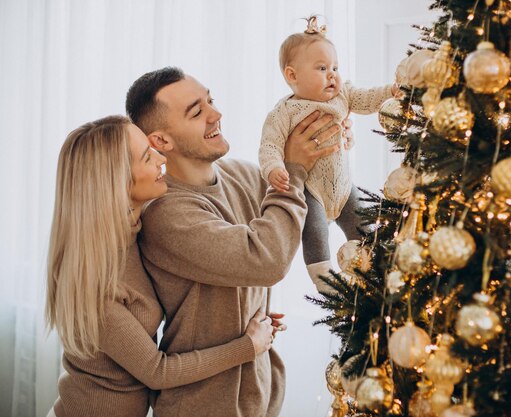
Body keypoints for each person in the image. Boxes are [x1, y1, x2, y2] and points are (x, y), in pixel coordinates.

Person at [125, 67, 340, 417]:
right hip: (204, 406)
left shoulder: (242, 174)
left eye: (211, 100)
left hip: (261, 394)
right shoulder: (166, 213)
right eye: (197, 112)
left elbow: (312, 206)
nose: (216, 114)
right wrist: (293, 169)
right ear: (162, 141)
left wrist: (334, 141)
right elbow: (267, 260)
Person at [45, 115, 278, 417]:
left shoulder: (137, 232)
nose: (160, 158)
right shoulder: (92, 280)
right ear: (117, 181)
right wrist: (248, 345)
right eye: (147, 156)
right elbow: (158, 371)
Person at [259, 16, 398, 291]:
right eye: (322, 68)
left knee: (364, 226)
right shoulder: (285, 112)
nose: (332, 74)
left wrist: (390, 92)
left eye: (335, 67)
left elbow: (367, 98)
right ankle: (325, 280)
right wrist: (273, 168)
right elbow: (270, 145)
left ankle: (377, 267)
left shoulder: (342, 95)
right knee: (314, 233)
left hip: (345, 189)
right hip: (312, 190)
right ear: (292, 75)